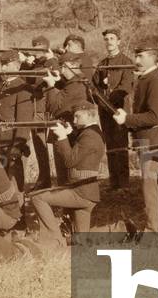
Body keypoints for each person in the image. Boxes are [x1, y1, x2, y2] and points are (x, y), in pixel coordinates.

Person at [112, 46, 158, 233]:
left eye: (140, 56)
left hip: (155, 142)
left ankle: (154, 231)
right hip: (144, 140)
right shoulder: (144, 79)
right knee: (151, 188)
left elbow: (154, 117)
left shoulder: (156, 81)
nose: (136, 59)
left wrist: (127, 119)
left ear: (153, 57)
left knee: (150, 188)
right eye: (136, 55)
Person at [30, 103, 105, 246]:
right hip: (88, 192)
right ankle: (120, 228)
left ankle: (55, 240)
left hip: (80, 192)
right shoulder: (92, 132)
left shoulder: (89, 136)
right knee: (82, 240)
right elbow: (82, 153)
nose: (74, 120)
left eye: (78, 116)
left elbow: (70, 161)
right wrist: (70, 134)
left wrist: (63, 137)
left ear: (90, 115)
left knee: (38, 198)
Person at [94, 28, 134, 191]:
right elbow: (94, 86)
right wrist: (102, 99)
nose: (109, 41)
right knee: (110, 144)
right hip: (104, 110)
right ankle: (114, 181)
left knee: (121, 144)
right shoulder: (102, 63)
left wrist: (111, 103)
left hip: (119, 109)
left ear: (119, 41)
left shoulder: (126, 61)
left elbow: (126, 86)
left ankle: (124, 183)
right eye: (107, 39)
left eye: (112, 38)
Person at [0, 50, 36, 191]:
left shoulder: (23, 87)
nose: (3, 68)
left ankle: (19, 210)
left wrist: (17, 146)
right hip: (1, 141)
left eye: (7, 65)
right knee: (1, 177)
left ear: (17, 66)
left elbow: (23, 121)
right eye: (2, 65)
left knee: (14, 180)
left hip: (13, 141)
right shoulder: (1, 86)